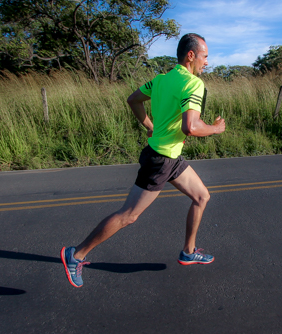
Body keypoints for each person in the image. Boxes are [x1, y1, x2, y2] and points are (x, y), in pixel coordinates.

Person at [61, 33, 226, 288]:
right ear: (191, 55)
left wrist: (149, 125)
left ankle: (189, 251)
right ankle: (77, 254)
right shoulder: (193, 84)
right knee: (128, 215)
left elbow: (133, 100)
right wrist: (215, 129)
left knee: (202, 196)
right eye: (205, 57)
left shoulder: (161, 80)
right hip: (160, 161)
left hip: (169, 156)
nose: (207, 62)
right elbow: (191, 127)